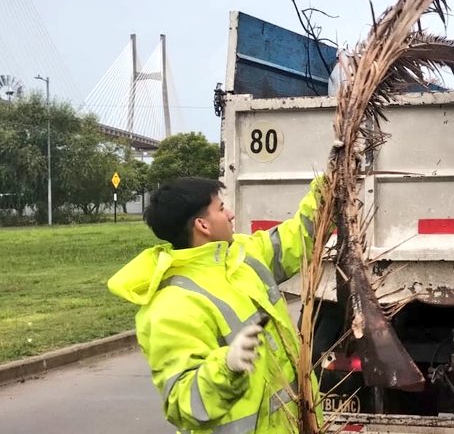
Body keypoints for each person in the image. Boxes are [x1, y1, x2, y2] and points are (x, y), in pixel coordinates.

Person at [108, 176, 326, 434]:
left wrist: (327, 186)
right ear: (202, 225)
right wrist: (227, 367)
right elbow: (184, 403)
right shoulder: (172, 305)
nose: (231, 214)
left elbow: (297, 237)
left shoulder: (240, 255)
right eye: (221, 208)